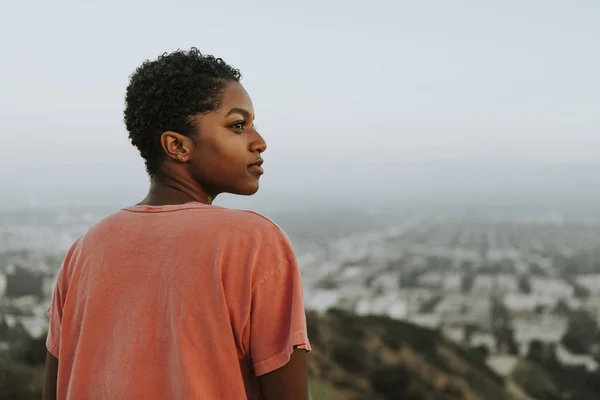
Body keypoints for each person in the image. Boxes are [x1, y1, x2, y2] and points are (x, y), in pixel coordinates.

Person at [43, 48, 311, 400]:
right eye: (237, 126)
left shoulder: (85, 250)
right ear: (177, 146)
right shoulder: (253, 242)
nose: (259, 142)